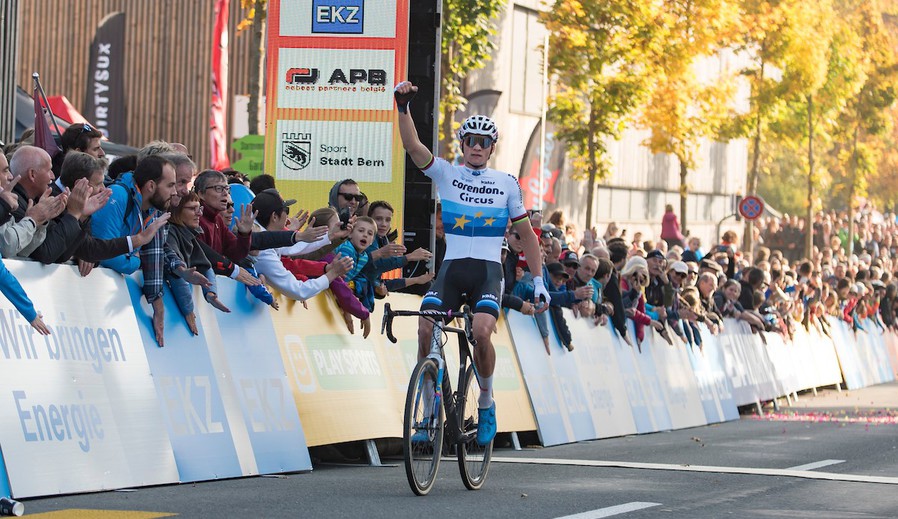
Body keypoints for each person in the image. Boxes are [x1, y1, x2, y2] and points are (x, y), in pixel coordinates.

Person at [395, 80, 548, 446]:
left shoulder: (507, 183)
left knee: (481, 332)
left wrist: (540, 280)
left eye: (484, 142)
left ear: (492, 148)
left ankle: (485, 399)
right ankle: (430, 407)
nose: (476, 147)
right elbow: (413, 147)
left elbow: (527, 235)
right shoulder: (447, 173)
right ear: (462, 145)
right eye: (471, 141)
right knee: (424, 330)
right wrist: (402, 108)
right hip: (452, 270)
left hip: (487, 271)